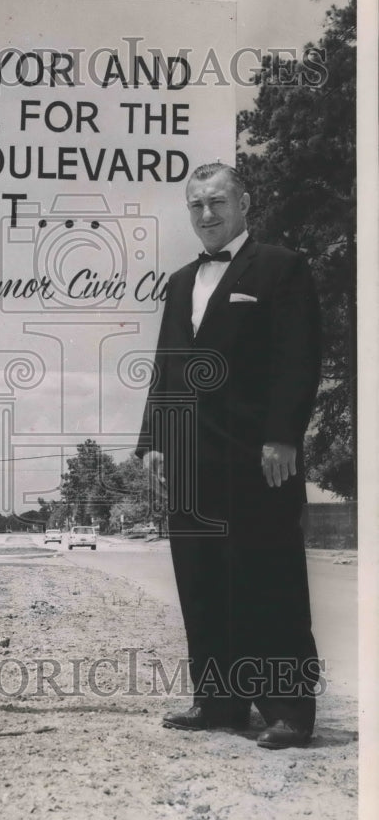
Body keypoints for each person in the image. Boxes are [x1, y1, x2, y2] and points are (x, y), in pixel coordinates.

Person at [136, 162, 322, 750]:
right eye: (196, 205)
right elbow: (166, 365)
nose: (207, 214)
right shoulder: (178, 283)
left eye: (217, 201)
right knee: (202, 580)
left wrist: (283, 435)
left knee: (269, 578)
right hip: (189, 459)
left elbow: (298, 357)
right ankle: (219, 702)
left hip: (257, 456)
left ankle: (289, 710)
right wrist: (154, 443)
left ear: (244, 204)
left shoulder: (281, 267)